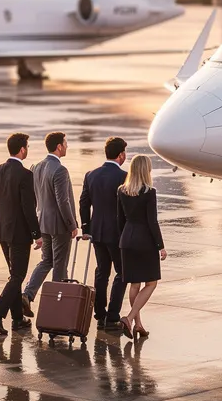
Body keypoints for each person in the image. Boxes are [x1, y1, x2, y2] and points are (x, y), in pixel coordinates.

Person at [0, 132, 43, 334]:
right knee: (17, 275)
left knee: (14, 275)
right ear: (22, 150)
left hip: (1, 230)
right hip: (19, 233)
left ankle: (17, 319)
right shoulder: (25, 175)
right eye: (27, 147)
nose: (28, 150)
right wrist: (37, 234)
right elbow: (28, 208)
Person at [23, 131, 79, 313]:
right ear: (59, 146)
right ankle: (56, 307)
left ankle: (28, 294)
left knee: (46, 260)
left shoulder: (36, 167)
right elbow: (63, 201)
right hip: (59, 225)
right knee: (60, 265)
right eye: (66, 143)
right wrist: (72, 225)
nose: (67, 146)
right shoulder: (60, 170)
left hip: (43, 223)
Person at [80, 137, 128, 331]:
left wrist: (86, 228)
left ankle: (100, 314)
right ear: (121, 155)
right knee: (122, 273)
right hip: (117, 233)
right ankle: (113, 316)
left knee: (102, 272)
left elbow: (84, 203)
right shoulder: (124, 176)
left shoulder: (91, 175)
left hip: (97, 232)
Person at [117, 155, 166, 339]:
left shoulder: (122, 190)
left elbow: (120, 220)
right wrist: (160, 246)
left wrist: (123, 240)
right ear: (146, 170)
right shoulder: (149, 192)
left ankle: (138, 325)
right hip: (145, 241)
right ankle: (129, 318)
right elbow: (152, 221)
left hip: (127, 240)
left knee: (134, 284)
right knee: (151, 283)